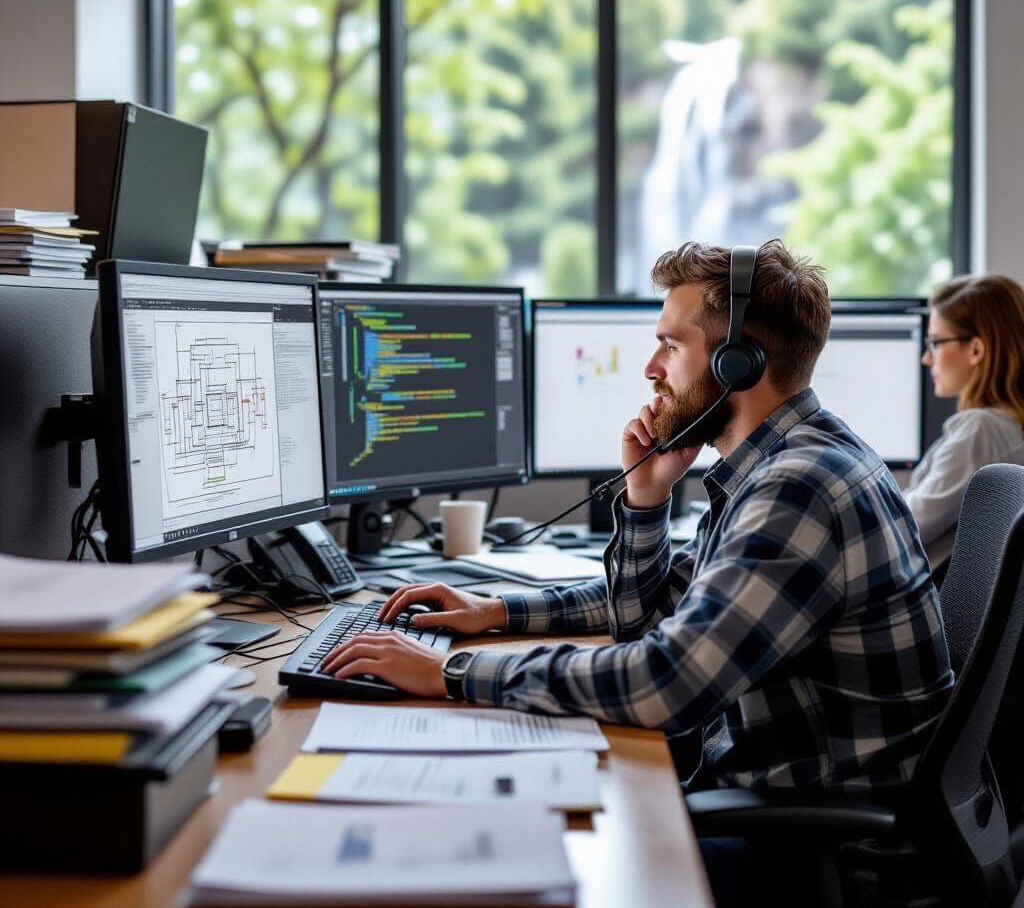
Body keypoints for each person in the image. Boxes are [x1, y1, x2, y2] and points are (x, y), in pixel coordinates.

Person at [321, 239, 953, 901]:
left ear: (742, 364)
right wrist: (505, 606)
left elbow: (663, 684)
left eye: (671, 345)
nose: (651, 367)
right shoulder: (787, 461)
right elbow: (655, 612)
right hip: (782, 809)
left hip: (817, 855)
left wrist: (448, 673)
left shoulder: (800, 489)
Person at [905, 274, 1024, 571]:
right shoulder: (1007, 425)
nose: (926, 359)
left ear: (975, 350)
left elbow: (906, 526)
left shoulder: (980, 430)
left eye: (935, 343)